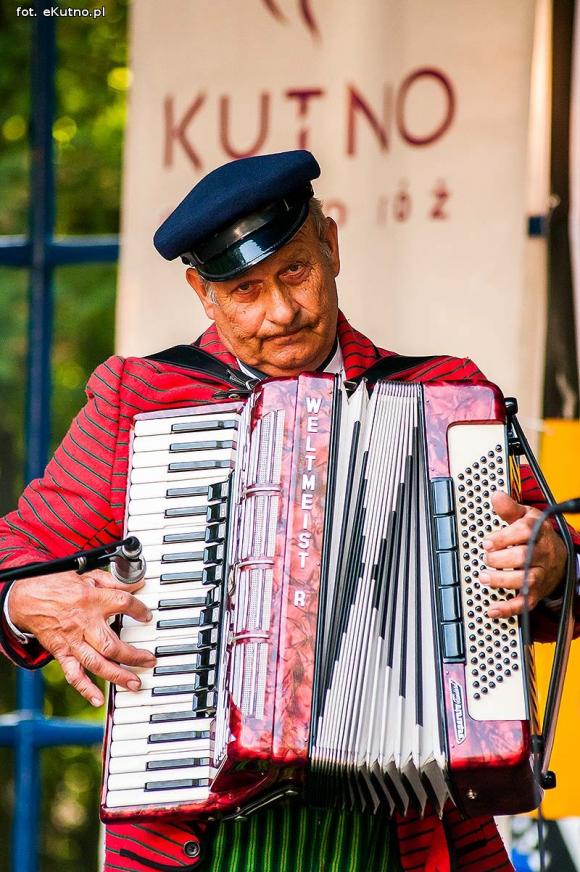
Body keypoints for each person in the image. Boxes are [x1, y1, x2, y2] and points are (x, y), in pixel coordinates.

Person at [0, 150, 578, 872]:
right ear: (202, 296)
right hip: (199, 845)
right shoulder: (139, 405)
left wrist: (552, 564)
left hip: (406, 839)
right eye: (243, 290)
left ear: (331, 247)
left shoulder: (447, 406)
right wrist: (25, 600)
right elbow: (10, 566)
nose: (281, 311)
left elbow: (557, 580)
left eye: (295, 271)